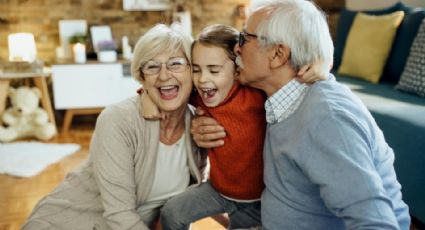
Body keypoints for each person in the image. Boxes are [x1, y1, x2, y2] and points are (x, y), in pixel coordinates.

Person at [192, 0, 411, 229]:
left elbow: (377, 223)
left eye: (245, 39)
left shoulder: (327, 120)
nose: (237, 48)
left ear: (278, 54)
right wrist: (198, 122)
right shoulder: (274, 93)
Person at [21, 24, 208, 230]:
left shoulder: (199, 125)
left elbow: (180, 205)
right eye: (152, 66)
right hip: (69, 223)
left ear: (193, 71)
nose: (164, 75)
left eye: (176, 64)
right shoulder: (118, 120)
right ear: (142, 78)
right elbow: (120, 215)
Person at [141, 24, 329, 229]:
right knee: (171, 212)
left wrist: (323, 63)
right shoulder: (200, 96)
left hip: (259, 200)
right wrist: (146, 96)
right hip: (218, 191)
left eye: (214, 70)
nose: (203, 80)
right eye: (196, 70)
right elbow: (165, 90)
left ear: (238, 71)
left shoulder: (255, 94)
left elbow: (295, 79)